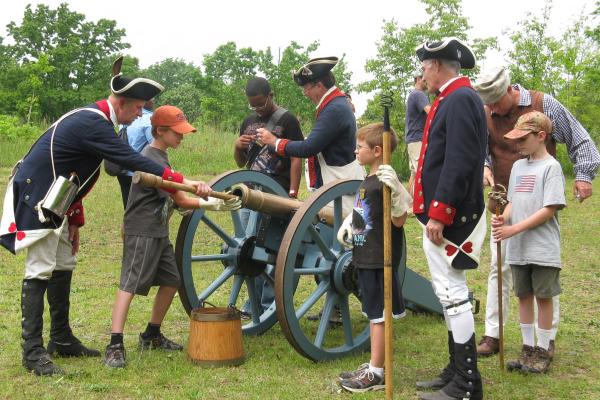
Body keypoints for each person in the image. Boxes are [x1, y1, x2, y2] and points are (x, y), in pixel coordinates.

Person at [0, 56, 208, 376]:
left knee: (64, 264)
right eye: (138, 107)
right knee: (40, 268)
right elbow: (126, 158)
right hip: (38, 196)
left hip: (59, 201)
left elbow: (76, 173)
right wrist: (182, 180)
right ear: (122, 103)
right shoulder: (92, 121)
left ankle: (61, 338)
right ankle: (32, 351)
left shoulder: (98, 122)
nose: (141, 114)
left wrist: (74, 218)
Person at [472, 67, 600, 357]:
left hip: (540, 198)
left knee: (540, 269)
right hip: (506, 199)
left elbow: (581, 140)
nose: (491, 108)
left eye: (495, 102)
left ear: (510, 91)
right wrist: (486, 167)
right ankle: (494, 334)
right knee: (500, 266)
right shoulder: (485, 113)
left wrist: (582, 175)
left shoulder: (544, 104)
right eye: (487, 103)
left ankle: (546, 341)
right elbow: (482, 150)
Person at [104, 105, 241, 368]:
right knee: (129, 284)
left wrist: (200, 187)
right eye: (177, 133)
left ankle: (151, 334)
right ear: (160, 131)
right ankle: (115, 343)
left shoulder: (160, 156)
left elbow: (177, 189)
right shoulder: (151, 157)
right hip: (142, 230)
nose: (181, 136)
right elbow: (181, 199)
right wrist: (209, 204)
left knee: (171, 280)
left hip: (157, 230)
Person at [412, 38, 487, 400]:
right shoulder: (452, 98)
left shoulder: (459, 98)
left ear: (438, 64)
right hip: (449, 213)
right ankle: (456, 370)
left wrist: (440, 213)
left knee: (453, 292)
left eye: (424, 65)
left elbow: (459, 160)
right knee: (447, 293)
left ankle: (467, 384)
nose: (421, 72)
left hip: (455, 216)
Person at [335, 123, 411, 393]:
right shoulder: (368, 180)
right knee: (372, 312)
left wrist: (398, 191)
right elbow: (364, 209)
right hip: (365, 255)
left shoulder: (387, 182)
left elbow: (400, 218)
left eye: (360, 146)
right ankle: (373, 364)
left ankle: (377, 374)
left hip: (380, 258)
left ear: (377, 151)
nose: (355, 150)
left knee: (379, 316)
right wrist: (350, 224)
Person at [491, 111, 565, 373]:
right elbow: (511, 203)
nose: (517, 144)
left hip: (542, 248)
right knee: (523, 295)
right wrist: (504, 220)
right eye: (516, 138)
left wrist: (514, 229)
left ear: (541, 136)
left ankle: (543, 350)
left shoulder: (551, 168)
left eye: (523, 139)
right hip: (518, 248)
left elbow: (549, 209)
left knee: (543, 297)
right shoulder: (518, 167)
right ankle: (527, 349)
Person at [256, 56, 365, 211]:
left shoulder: (334, 109)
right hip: (338, 178)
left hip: (341, 182)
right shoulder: (336, 105)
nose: (305, 93)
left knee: (345, 231)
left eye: (306, 88)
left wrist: (275, 142)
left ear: (319, 86)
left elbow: (309, 148)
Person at [233, 76, 303, 316]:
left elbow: (296, 157)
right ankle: (250, 304)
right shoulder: (248, 121)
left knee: (267, 248)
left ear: (270, 95)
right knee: (246, 249)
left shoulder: (287, 120)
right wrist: (237, 146)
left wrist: (293, 193)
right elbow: (242, 163)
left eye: (261, 104)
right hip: (250, 190)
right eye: (253, 105)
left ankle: (266, 305)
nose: (257, 109)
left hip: (275, 190)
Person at [116, 99, 155, 208]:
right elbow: (156, 148)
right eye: (151, 99)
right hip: (139, 172)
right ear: (145, 102)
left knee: (127, 205)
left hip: (122, 169)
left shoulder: (126, 119)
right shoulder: (149, 120)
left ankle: (127, 224)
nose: (153, 101)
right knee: (142, 207)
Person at [405, 74, 430, 197]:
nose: (428, 81)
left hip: (412, 139)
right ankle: (416, 205)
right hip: (418, 139)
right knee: (421, 171)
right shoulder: (419, 94)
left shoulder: (413, 94)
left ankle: (409, 203)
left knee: (414, 173)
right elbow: (430, 112)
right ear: (419, 79)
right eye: (425, 78)